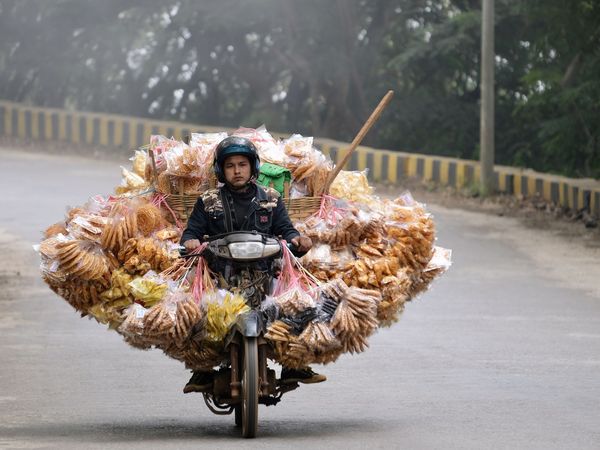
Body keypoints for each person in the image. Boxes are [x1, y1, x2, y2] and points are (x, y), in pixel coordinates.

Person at [180, 136, 326, 394]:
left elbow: (286, 229)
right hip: (220, 277)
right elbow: (191, 232)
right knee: (196, 315)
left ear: (252, 167)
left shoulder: (271, 198)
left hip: (265, 274)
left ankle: (294, 365)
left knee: (297, 309)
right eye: (230, 165)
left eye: (242, 164)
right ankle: (202, 370)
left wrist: (298, 240)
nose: (237, 170)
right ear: (221, 170)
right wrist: (190, 242)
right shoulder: (208, 200)